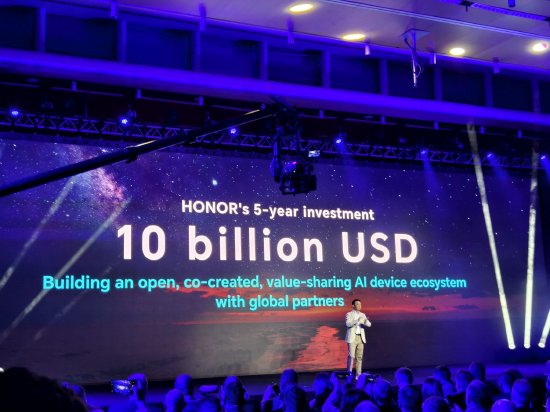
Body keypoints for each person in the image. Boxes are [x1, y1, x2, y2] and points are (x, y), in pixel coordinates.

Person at [345, 298, 372, 379]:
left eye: (360, 304)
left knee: (359, 357)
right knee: (351, 356)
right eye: (357, 304)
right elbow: (348, 324)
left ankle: (358, 375)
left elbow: (369, 325)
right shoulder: (349, 314)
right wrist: (357, 321)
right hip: (352, 338)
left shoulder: (363, 315)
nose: (359, 306)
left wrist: (366, 320)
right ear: (353, 306)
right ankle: (349, 374)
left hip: (361, 337)